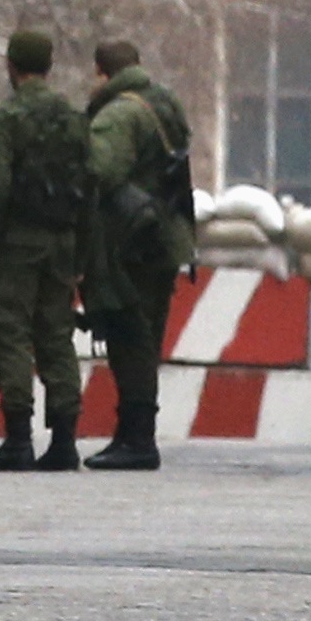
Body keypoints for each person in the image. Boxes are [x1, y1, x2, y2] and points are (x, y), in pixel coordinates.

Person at [0, 29, 90, 471]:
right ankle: (64, 440)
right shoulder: (73, 117)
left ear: (11, 65)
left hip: (16, 242)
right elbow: (89, 182)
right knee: (56, 335)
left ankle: (18, 439)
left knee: (12, 334)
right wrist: (81, 248)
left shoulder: (7, 118)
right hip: (62, 239)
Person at [79, 40, 193, 472]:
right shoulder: (164, 102)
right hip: (165, 236)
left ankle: (137, 438)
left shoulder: (118, 114)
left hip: (132, 241)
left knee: (131, 338)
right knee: (146, 334)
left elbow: (101, 171)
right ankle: (134, 434)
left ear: (101, 72)